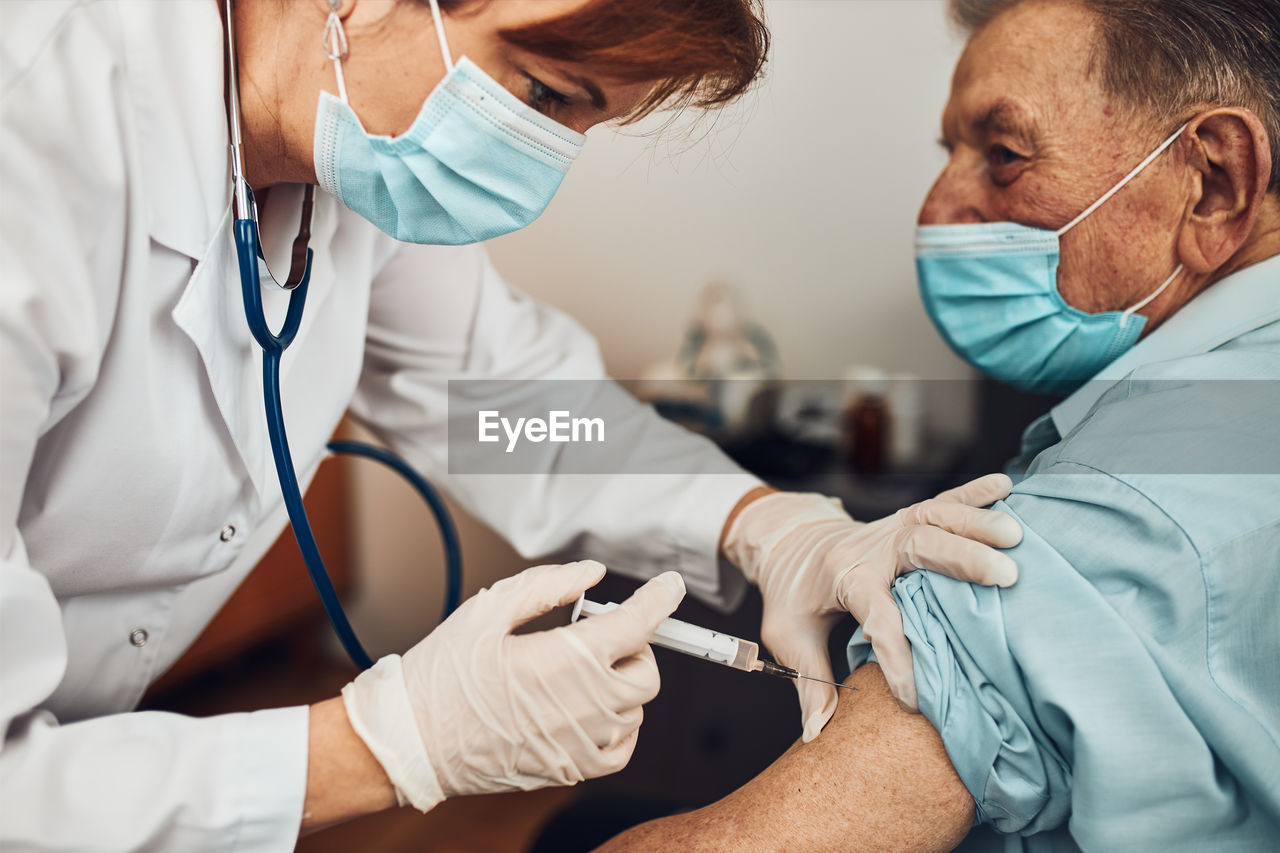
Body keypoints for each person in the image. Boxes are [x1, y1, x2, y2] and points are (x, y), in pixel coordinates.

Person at [0, 0, 1023, 848]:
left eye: (581, 124)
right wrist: (392, 742)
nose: (536, 168)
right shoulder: (31, 137)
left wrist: (765, 525)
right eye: (541, 94)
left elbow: (507, 411)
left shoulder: (343, 147)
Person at [599, 0, 1280, 850]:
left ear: (1213, 181)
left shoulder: (1092, 532)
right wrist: (772, 526)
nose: (938, 208)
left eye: (1003, 155)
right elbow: (505, 414)